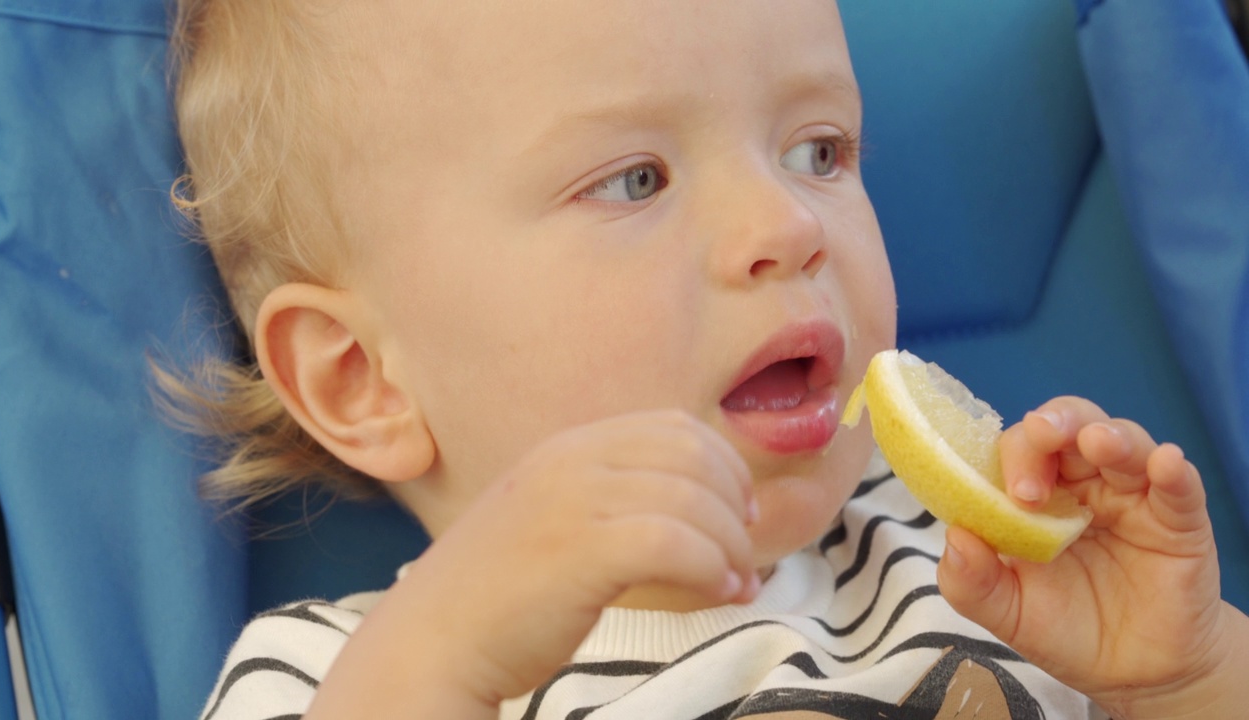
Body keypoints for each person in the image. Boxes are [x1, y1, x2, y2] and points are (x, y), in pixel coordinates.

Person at [165, 0, 1249, 718]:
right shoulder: (339, 674)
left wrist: (1186, 670)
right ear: (361, 379)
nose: (787, 222)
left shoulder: (971, 568)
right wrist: (447, 651)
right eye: (635, 179)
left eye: (817, 152)